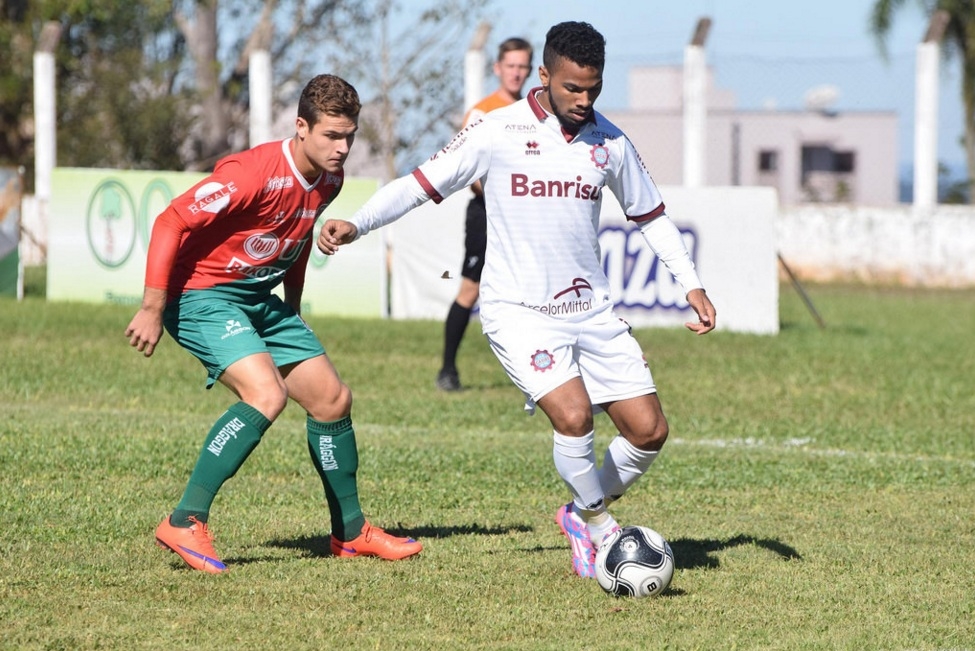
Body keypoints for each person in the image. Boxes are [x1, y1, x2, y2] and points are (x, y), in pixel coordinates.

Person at [318, 21, 715, 579]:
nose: (584, 100)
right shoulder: (495, 131)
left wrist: (690, 283)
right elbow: (418, 183)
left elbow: (650, 216)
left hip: (592, 311)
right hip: (519, 312)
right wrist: (356, 223)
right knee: (574, 417)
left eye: (594, 89)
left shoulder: (611, 143)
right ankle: (601, 530)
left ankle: (580, 513)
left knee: (649, 431)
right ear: (545, 75)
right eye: (573, 88)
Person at [124, 74, 422, 574]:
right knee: (266, 395)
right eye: (331, 135)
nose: (343, 147)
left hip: (259, 297)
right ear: (301, 126)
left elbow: (297, 238)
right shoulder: (251, 173)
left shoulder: (330, 179)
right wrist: (152, 308)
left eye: (349, 136)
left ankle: (350, 534)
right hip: (200, 296)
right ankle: (184, 519)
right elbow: (170, 221)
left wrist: (294, 306)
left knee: (332, 398)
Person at [436, 37, 533, 392]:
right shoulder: (482, 111)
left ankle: (535, 370)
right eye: (511, 66)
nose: (516, 73)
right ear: (497, 68)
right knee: (470, 289)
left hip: (521, 216)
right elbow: (467, 168)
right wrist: (495, 197)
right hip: (486, 213)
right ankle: (447, 369)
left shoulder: (530, 112)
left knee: (529, 290)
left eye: (522, 66)